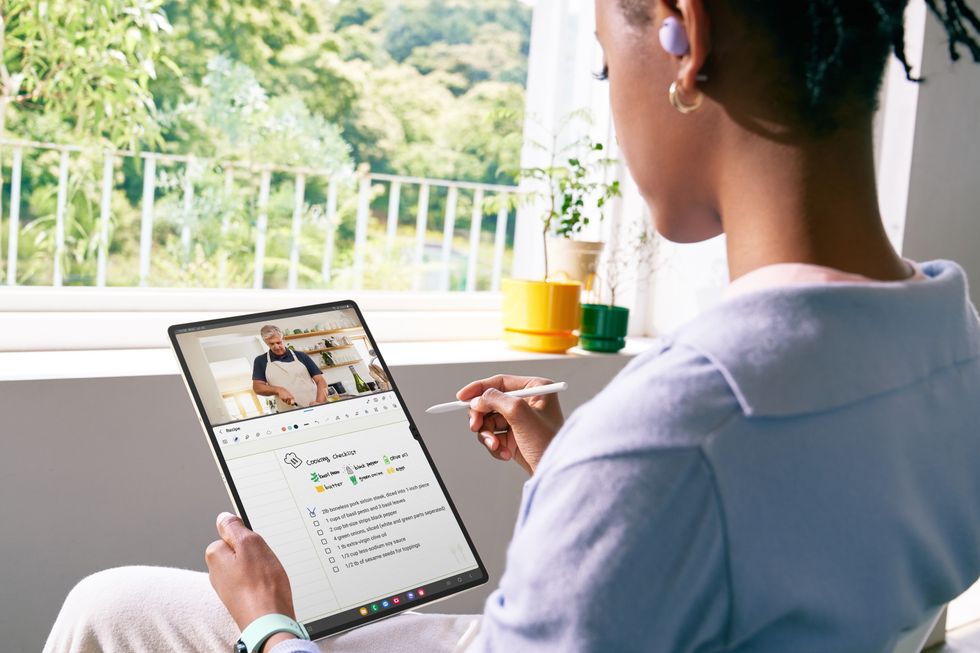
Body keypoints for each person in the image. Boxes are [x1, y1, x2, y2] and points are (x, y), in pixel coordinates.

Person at [44, 1, 980, 652]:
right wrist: (575, 469)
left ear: (684, 36)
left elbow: (693, 468)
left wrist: (267, 623)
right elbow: (781, 543)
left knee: (108, 608)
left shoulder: (676, 436)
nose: (613, 100)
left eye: (609, 66)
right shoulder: (950, 338)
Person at [252, 325, 328, 412]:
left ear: (283, 339)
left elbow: (320, 381)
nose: (276, 347)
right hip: (288, 411)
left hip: (314, 405)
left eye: (278, 342)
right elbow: (257, 387)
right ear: (266, 343)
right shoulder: (260, 361)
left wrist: (319, 403)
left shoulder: (301, 356)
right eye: (271, 344)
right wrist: (278, 390)